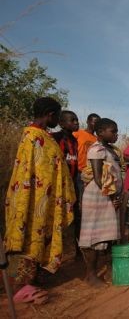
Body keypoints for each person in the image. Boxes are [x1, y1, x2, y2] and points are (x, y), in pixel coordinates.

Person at [4, 97, 76, 305]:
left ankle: (35, 277)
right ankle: (20, 286)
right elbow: (29, 170)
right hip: (32, 198)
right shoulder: (32, 136)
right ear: (51, 115)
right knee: (28, 235)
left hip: (44, 199)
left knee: (41, 235)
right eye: (57, 116)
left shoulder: (44, 136)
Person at [78, 118, 123, 287]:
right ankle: (91, 275)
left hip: (106, 196)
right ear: (101, 132)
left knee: (106, 236)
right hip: (98, 197)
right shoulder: (96, 149)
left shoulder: (109, 150)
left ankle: (103, 271)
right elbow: (98, 178)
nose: (116, 134)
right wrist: (112, 198)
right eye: (113, 131)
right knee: (95, 236)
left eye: (117, 131)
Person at [52, 110, 81, 258]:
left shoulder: (75, 141)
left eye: (76, 120)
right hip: (59, 186)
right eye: (72, 120)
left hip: (73, 184)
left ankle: (78, 251)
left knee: (77, 217)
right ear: (61, 123)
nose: (76, 122)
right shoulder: (55, 138)